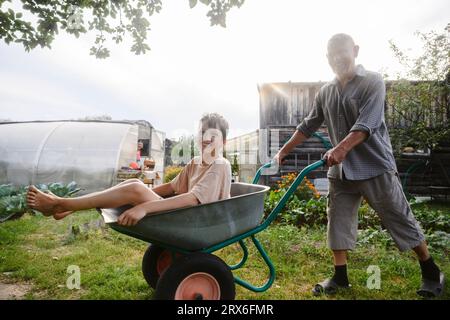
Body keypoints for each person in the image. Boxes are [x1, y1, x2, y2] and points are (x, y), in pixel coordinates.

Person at [274, 33, 444, 298]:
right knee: (337, 221)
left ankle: (431, 271)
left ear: (355, 50)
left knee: (397, 216)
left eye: (342, 52)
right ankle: (339, 277)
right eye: (332, 55)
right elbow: (308, 125)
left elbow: (367, 124)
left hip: (374, 165)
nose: (337, 59)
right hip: (340, 171)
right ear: (327, 59)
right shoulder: (326, 92)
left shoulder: (372, 82)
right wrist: (283, 150)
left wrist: (341, 148)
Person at [27, 113, 232, 227]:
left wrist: (143, 206)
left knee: (135, 189)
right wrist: (142, 191)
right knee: (134, 185)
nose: (206, 139)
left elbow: (191, 199)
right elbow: (171, 186)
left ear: (223, 141)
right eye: (202, 133)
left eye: (212, 136)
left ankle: (62, 204)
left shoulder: (220, 165)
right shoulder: (196, 163)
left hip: (199, 222)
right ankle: (68, 206)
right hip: (186, 216)